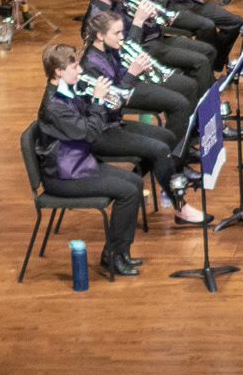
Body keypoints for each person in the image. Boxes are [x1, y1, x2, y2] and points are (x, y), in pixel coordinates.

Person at [80, 12, 205, 225]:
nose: (122, 37)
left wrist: (139, 70)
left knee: (165, 137)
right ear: (100, 36)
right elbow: (114, 101)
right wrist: (133, 73)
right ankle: (179, 206)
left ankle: (152, 180)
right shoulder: (91, 64)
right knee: (159, 149)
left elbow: (118, 84)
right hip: (101, 132)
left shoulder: (108, 52)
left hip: (114, 122)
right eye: (117, 33)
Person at [34, 43, 146, 279]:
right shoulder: (54, 107)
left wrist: (98, 98)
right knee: (126, 192)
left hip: (79, 164)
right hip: (63, 177)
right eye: (74, 66)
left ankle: (121, 251)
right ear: (58, 72)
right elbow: (90, 134)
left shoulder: (69, 90)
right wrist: (97, 101)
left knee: (135, 182)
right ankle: (111, 257)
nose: (80, 70)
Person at [82, 0, 211, 102]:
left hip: (147, 47)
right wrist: (138, 21)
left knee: (205, 56)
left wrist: (148, 14)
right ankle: (199, 118)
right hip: (127, 74)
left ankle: (205, 110)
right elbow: (123, 53)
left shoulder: (117, 0)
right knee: (188, 87)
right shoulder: (96, 19)